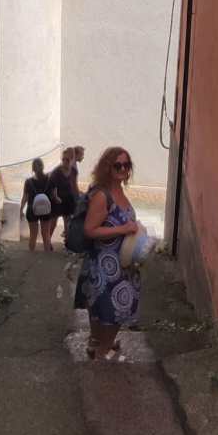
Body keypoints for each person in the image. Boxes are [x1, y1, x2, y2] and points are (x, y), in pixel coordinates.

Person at [74, 146, 140, 360]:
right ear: (107, 167)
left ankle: (97, 345)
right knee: (112, 310)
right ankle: (103, 356)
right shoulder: (102, 196)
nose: (123, 169)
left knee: (105, 311)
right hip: (105, 266)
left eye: (126, 165)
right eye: (117, 165)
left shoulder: (119, 191)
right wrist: (123, 229)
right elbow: (90, 230)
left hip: (121, 264)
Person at [19, 158, 52, 252]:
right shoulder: (49, 179)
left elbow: (25, 197)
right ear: (43, 167)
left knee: (33, 235)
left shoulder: (28, 182)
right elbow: (54, 195)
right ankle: (47, 255)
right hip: (46, 209)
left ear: (33, 169)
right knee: (46, 234)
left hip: (32, 209)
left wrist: (21, 209)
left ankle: (31, 254)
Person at [48, 147, 77, 245]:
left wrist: (77, 198)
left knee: (67, 222)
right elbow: (51, 187)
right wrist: (55, 197)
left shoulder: (73, 171)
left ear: (72, 159)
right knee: (53, 222)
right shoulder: (56, 172)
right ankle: (47, 242)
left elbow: (74, 185)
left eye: (67, 160)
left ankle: (67, 244)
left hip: (68, 200)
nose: (64, 162)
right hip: (57, 200)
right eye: (63, 159)